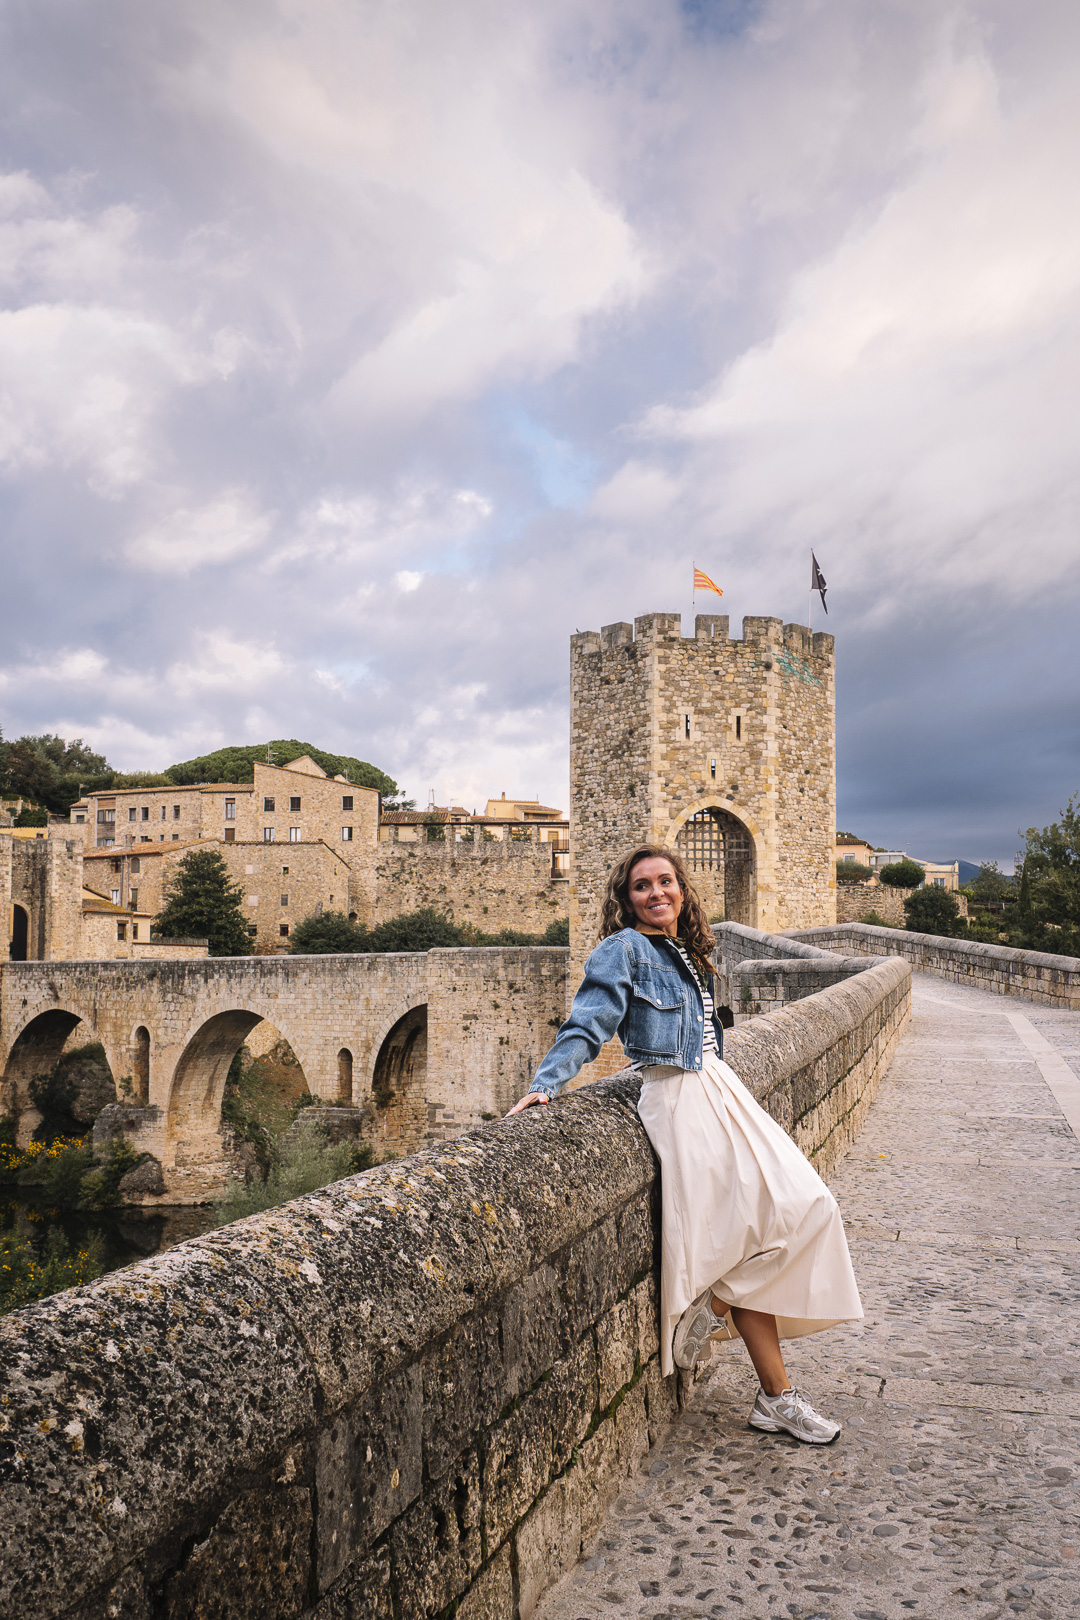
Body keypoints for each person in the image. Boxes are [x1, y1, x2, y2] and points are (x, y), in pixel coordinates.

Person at [507, 844, 862, 1445]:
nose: (656, 894)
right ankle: (776, 1396)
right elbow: (588, 1023)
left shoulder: (689, 951)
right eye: (642, 887)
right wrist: (546, 1085)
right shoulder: (623, 950)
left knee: (807, 1206)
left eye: (665, 882)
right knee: (749, 1227)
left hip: (719, 1089)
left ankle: (717, 1309)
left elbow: (707, 1037)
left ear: (681, 889)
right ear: (626, 900)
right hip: (676, 1098)